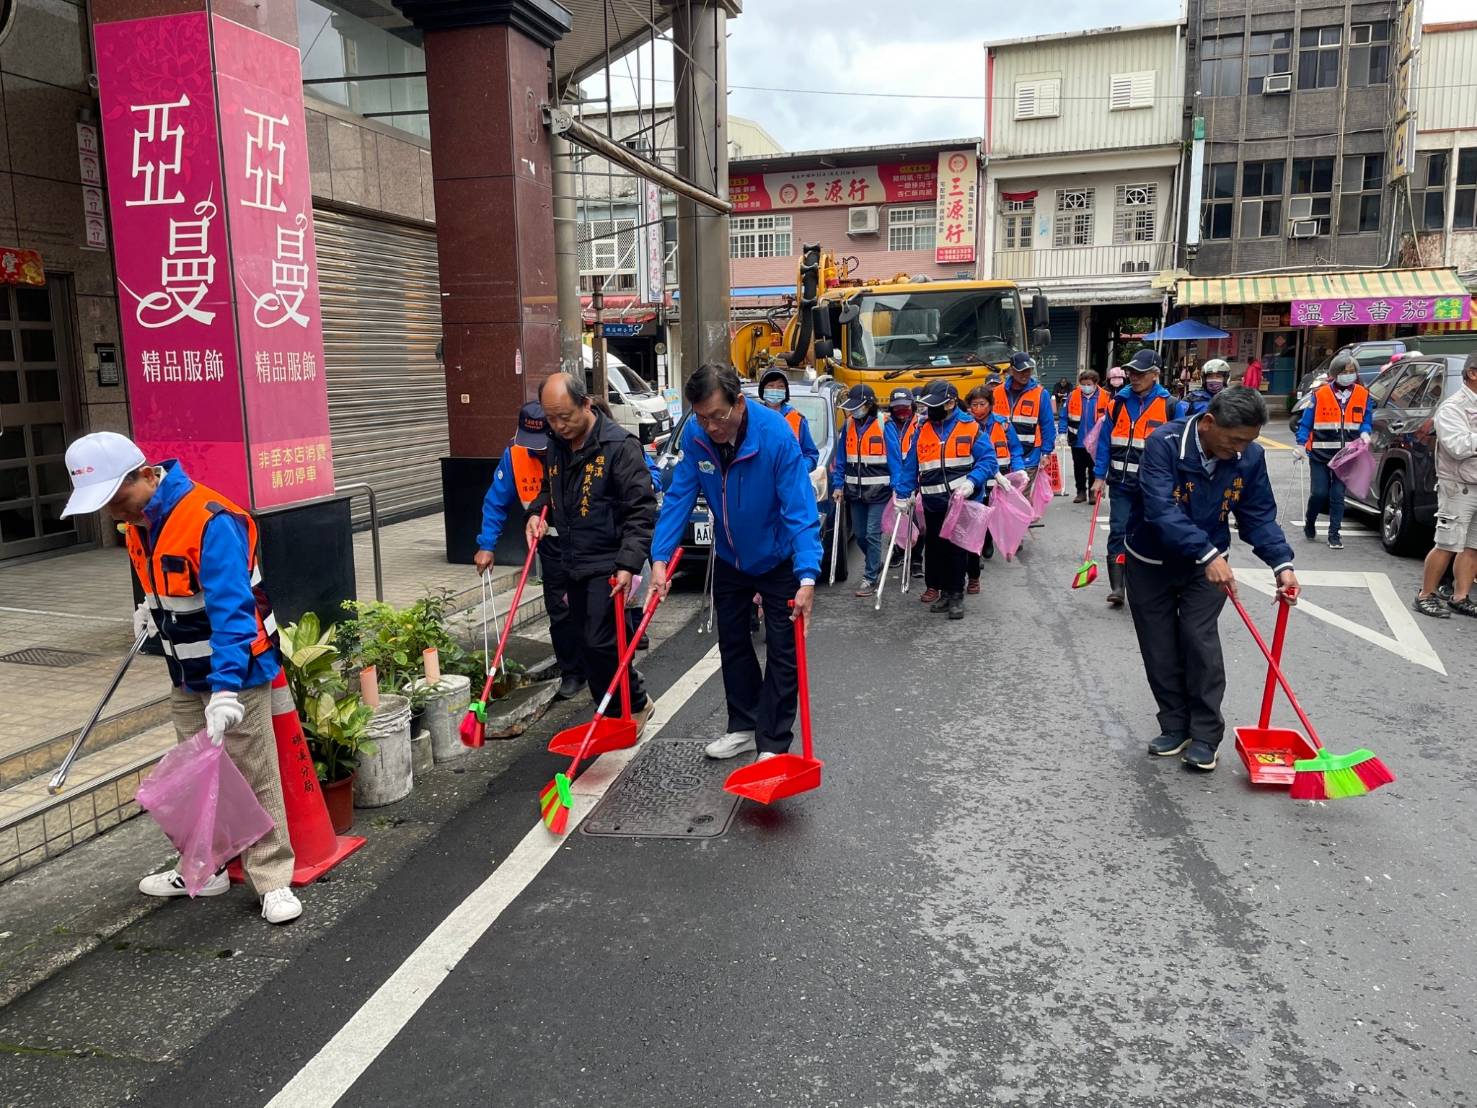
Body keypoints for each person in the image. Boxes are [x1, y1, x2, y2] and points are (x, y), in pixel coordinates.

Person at [59, 434, 300, 924]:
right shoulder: (138, 523)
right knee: (196, 778)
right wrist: (148, 610)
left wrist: (228, 689)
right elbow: (165, 586)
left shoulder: (210, 519)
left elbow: (234, 612)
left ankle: (273, 880)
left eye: (117, 499)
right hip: (187, 674)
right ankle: (204, 868)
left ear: (146, 475)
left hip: (238, 669)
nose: (113, 513)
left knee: (252, 773)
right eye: (103, 505)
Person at [649, 363, 821, 762]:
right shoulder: (696, 436)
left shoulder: (776, 435)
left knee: (783, 650)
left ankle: (773, 745)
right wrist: (660, 558)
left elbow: (799, 507)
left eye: (717, 416)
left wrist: (808, 575)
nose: (710, 427)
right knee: (732, 642)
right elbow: (679, 496)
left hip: (778, 558)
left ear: (739, 403)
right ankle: (743, 725)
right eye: (702, 417)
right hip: (730, 556)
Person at [1127, 387, 1299, 771]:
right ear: (1208, 423)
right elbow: (1159, 508)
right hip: (1150, 559)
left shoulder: (1248, 456)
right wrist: (1206, 553)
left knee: (1198, 641)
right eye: (1234, 439)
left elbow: (1257, 514)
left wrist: (1281, 564)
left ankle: (1205, 733)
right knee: (1159, 647)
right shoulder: (1164, 443)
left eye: (1248, 441)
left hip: (1207, 566)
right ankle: (1174, 725)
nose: (1239, 450)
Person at [530, 372, 657, 731]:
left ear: (585, 404)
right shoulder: (555, 444)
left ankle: (631, 704)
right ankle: (614, 710)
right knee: (586, 646)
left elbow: (641, 510)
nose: (558, 425)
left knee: (601, 641)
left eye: (565, 416)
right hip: (573, 560)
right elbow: (549, 493)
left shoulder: (619, 447)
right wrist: (536, 516)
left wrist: (629, 563)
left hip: (609, 562)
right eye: (551, 418)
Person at [473, 401, 583, 700]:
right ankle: (571, 670)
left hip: (588, 545)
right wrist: (486, 545)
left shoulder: (576, 448)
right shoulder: (515, 456)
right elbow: (495, 501)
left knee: (591, 607)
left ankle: (600, 663)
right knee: (559, 610)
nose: (536, 449)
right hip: (550, 545)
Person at [896, 380, 997, 619]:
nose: (930, 411)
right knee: (936, 550)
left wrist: (971, 482)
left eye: (935, 406)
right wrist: (902, 494)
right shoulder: (923, 430)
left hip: (960, 502)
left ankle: (956, 596)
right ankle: (942, 593)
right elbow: (911, 466)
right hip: (932, 502)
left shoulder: (969, 427)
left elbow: (989, 461)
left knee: (956, 551)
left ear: (951, 403)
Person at [1092, 349, 1175, 608]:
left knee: (1151, 534)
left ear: (1155, 374)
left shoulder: (1171, 406)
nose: (1134, 377)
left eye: (1140, 373)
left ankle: (1147, 584)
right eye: (1131, 372)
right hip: (1120, 483)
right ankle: (1118, 587)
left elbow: (1178, 449)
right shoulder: (1117, 403)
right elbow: (1105, 442)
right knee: (1118, 531)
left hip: (1154, 488)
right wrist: (1098, 477)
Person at [1414, 353, 1477, 619]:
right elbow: (1458, 446)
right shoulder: (1453, 407)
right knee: (1448, 543)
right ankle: (1425, 594)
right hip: (1458, 485)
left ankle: (1460, 596)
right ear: (1472, 373)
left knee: (1473, 545)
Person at [1294, 350, 1373, 551]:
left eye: (1352, 371)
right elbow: (1306, 423)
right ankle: (1310, 521)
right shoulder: (1320, 395)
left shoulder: (1364, 395)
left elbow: (1366, 420)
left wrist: (1365, 433)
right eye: (1345, 371)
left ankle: (1334, 534)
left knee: (1338, 496)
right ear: (1335, 373)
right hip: (1320, 454)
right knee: (1319, 494)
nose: (1349, 374)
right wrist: (1301, 445)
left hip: (1346, 457)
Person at [831, 383, 891, 597]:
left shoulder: (884, 424)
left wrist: (901, 489)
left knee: (873, 534)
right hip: (854, 491)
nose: (854, 411)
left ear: (869, 404)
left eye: (857, 406)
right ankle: (875, 561)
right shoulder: (848, 425)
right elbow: (841, 460)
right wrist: (838, 485)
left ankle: (870, 577)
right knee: (861, 535)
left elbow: (895, 459)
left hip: (880, 491)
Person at [965, 384, 1022, 583]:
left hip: (1000, 480)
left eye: (982, 404)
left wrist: (1019, 470)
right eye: (974, 404)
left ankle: (988, 538)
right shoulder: (965, 425)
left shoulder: (1003, 424)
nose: (978, 408)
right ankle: (976, 550)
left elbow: (1015, 449)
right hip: (976, 479)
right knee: (976, 516)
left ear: (990, 405)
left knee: (992, 513)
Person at [993, 352, 1057, 474]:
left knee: (1022, 493)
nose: (1026, 374)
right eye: (1021, 370)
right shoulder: (996, 392)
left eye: (1028, 370)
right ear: (1011, 371)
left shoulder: (1040, 394)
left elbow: (1048, 425)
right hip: (1000, 455)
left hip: (1029, 455)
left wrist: (1046, 452)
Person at [758, 367, 819, 472]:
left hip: (788, 484)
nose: (775, 390)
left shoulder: (798, 419)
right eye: (771, 386)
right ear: (763, 389)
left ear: (785, 391)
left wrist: (798, 469)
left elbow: (811, 455)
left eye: (780, 386)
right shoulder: (753, 417)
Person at [1059, 369, 1103, 503]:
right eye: (1083, 384)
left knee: (1093, 468)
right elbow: (1064, 416)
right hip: (1077, 439)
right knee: (1078, 468)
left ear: (1095, 383)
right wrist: (1061, 432)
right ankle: (1081, 492)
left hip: (1097, 441)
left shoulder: (1105, 397)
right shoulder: (1073, 396)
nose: (1086, 387)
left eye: (1089, 384)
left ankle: (1092, 493)